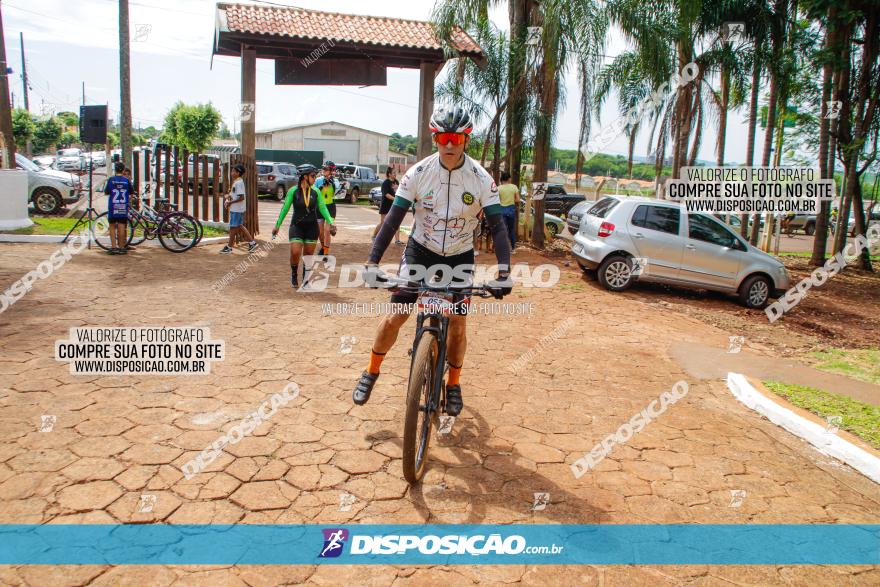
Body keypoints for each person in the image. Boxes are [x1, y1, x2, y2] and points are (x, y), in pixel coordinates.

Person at [352, 107, 513, 417]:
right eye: (442, 138)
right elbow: (392, 221)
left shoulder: (481, 179)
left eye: (455, 138)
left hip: (459, 256)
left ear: (466, 139)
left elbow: (499, 228)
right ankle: (371, 371)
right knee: (396, 315)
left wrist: (504, 272)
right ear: (434, 138)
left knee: (457, 325)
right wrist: (372, 262)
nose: (449, 145)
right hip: (420, 250)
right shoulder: (418, 173)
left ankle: (453, 384)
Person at [272, 163, 337, 289]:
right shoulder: (293, 191)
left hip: (312, 228)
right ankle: (294, 274)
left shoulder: (316, 191)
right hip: (296, 227)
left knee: (308, 255)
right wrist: (277, 225)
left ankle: (306, 279)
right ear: (304, 177)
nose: (315, 178)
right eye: (313, 176)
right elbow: (284, 209)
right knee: (295, 252)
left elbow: (323, 208)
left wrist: (330, 221)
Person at [221, 164, 258, 254]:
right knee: (238, 226)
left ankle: (230, 247)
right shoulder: (237, 182)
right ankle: (251, 243)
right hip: (236, 209)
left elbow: (241, 197)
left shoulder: (239, 183)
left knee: (235, 227)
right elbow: (235, 195)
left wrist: (230, 202)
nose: (232, 172)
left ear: (238, 173)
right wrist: (228, 198)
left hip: (237, 209)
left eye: (233, 171)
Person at [104, 162, 132, 255]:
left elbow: (107, 191)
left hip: (113, 206)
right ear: (123, 170)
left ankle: (113, 247)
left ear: (115, 170)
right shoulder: (126, 180)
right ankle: (122, 247)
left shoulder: (111, 179)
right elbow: (131, 191)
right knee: (121, 226)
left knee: (112, 226)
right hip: (122, 206)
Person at [315, 161, 340, 256]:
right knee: (320, 232)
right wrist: (320, 188)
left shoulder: (335, 181)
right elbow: (313, 192)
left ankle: (326, 253)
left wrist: (332, 183)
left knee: (327, 230)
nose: (323, 170)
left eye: (326, 169)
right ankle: (323, 247)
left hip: (330, 207)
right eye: (323, 168)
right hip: (319, 207)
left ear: (331, 171)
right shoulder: (318, 180)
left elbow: (337, 193)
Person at [373, 167, 404, 245]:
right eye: (393, 173)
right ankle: (374, 236)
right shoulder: (385, 183)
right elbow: (386, 194)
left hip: (394, 206)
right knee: (383, 223)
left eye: (395, 173)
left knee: (397, 223)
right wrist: (395, 199)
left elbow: (399, 191)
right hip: (385, 206)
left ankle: (397, 240)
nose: (395, 174)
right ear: (389, 174)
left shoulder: (396, 182)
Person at [497, 171, 520, 251]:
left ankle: (504, 247)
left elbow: (497, 201)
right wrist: (511, 199)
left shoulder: (498, 188)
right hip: (511, 210)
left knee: (503, 229)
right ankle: (513, 248)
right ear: (509, 178)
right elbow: (518, 200)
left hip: (502, 210)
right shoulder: (514, 187)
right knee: (511, 229)